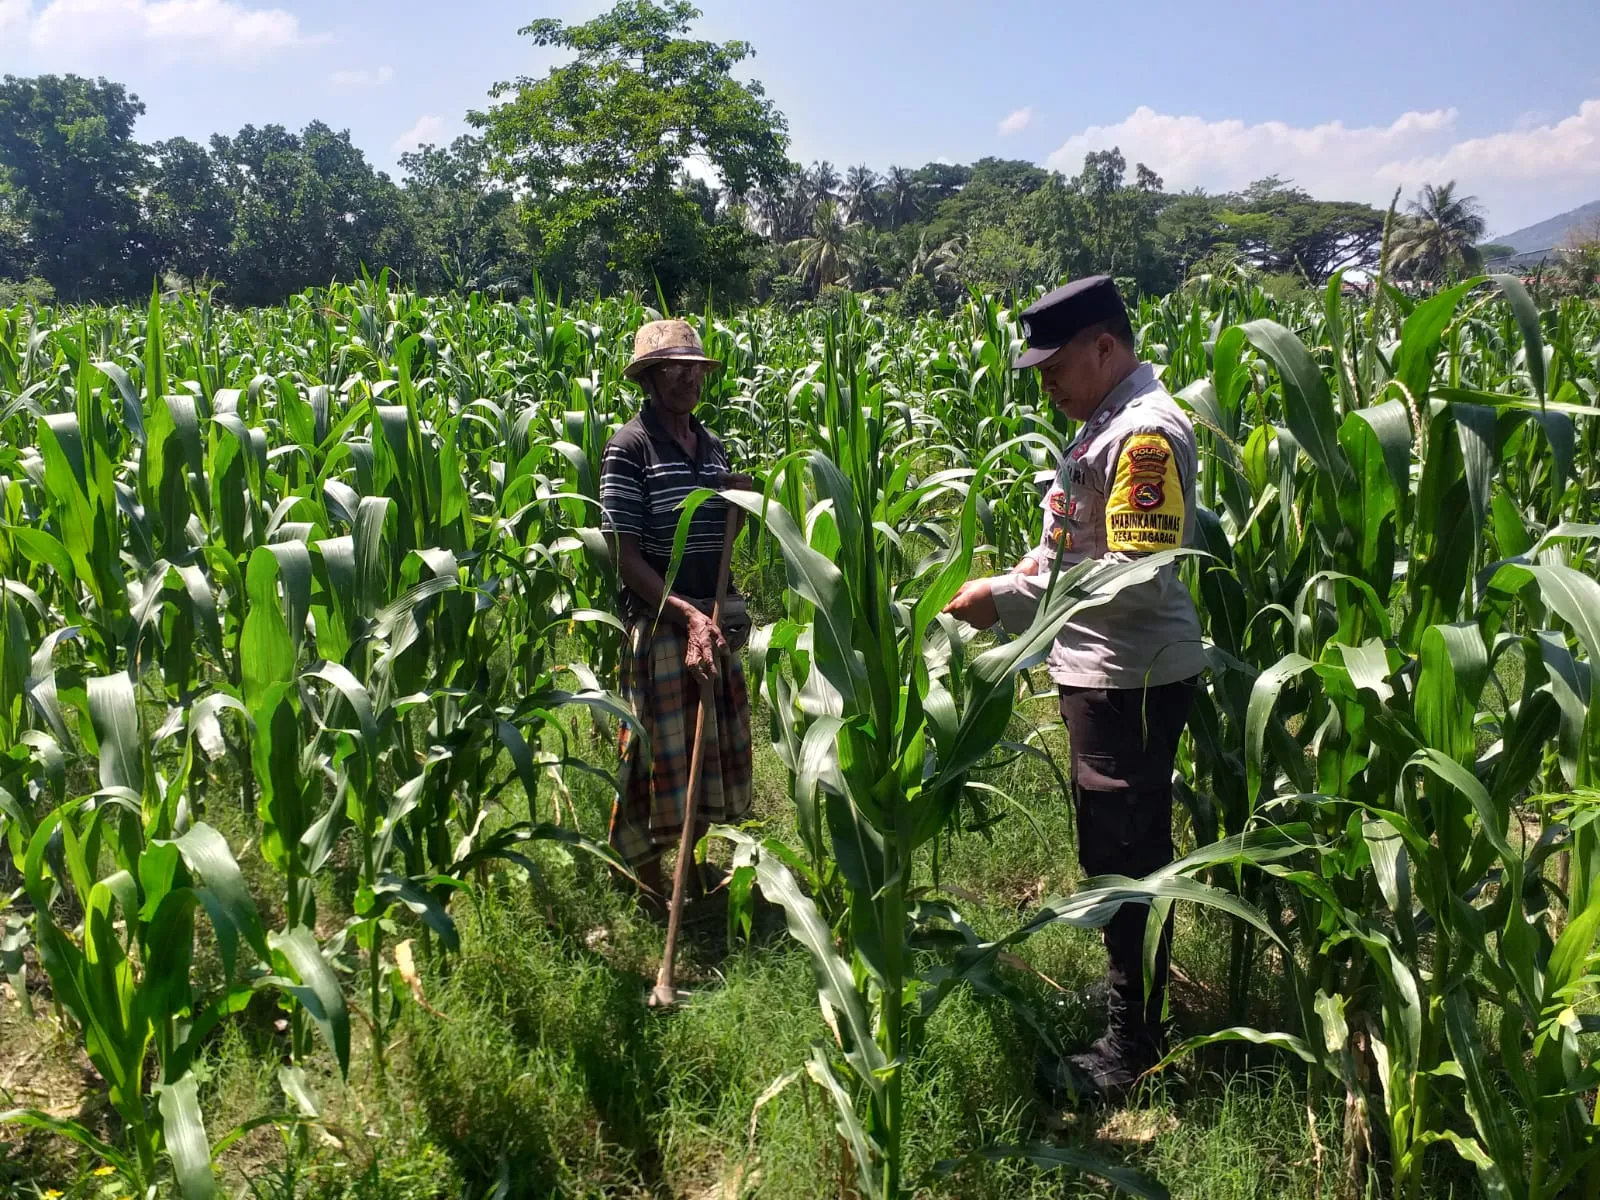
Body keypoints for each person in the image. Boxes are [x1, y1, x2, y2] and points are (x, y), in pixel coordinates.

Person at [942, 276, 1206, 1101]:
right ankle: (1130, 995)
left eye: (1055, 366)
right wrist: (1020, 571)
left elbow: (1135, 572)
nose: (1045, 384)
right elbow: (1074, 534)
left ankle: (1134, 1044)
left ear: (1105, 346)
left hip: (1129, 676)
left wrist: (1011, 601)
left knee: (1129, 853)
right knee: (1110, 843)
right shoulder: (1105, 424)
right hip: (1099, 667)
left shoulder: (1147, 435)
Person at [598, 319, 754, 910]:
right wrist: (687, 618)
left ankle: (691, 862)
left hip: (711, 616)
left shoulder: (710, 447)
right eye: (674, 368)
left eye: (695, 368)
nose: (688, 378)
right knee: (656, 753)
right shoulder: (630, 448)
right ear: (650, 378)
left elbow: (719, 539)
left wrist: (736, 505)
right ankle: (643, 871)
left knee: (708, 746)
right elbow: (626, 556)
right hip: (663, 621)